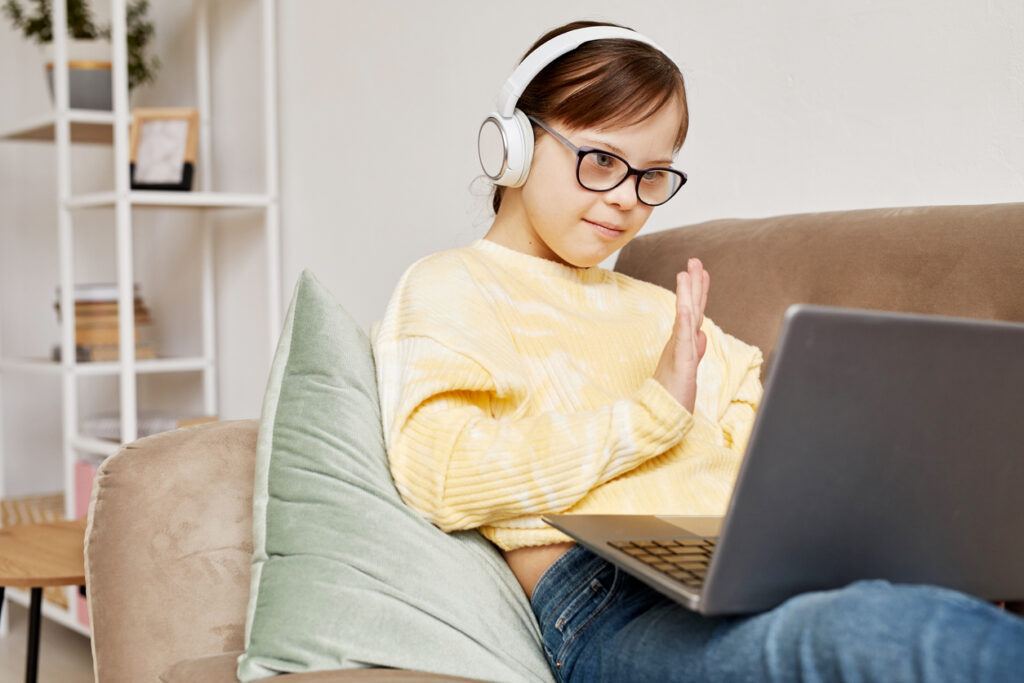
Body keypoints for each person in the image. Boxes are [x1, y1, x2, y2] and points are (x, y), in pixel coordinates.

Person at [371, 19, 1024, 683]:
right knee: (882, 636)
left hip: (755, 571)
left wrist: (910, 545)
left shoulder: (666, 310)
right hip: (607, 602)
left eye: (651, 175)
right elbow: (440, 474)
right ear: (514, 143)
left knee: (924, 617)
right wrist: (652, 411)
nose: (626, 199)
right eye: (600, 160)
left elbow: (778, 458)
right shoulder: (450, 286)